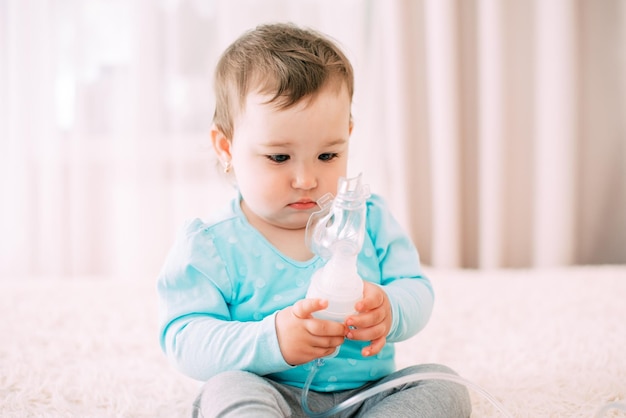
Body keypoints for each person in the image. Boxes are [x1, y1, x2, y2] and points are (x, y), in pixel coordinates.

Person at [157, 22, 471, 418]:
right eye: (278, 157)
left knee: (442, 385)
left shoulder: (369, 218)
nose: (306, 180)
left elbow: (416, 288)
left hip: (367, 394)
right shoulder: (211, 244)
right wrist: (273, 340)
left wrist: (391, 309)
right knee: (228, 388)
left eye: (327, 156)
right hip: (273, 393)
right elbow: (185, 339)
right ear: (226, 147)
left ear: (347, 137)